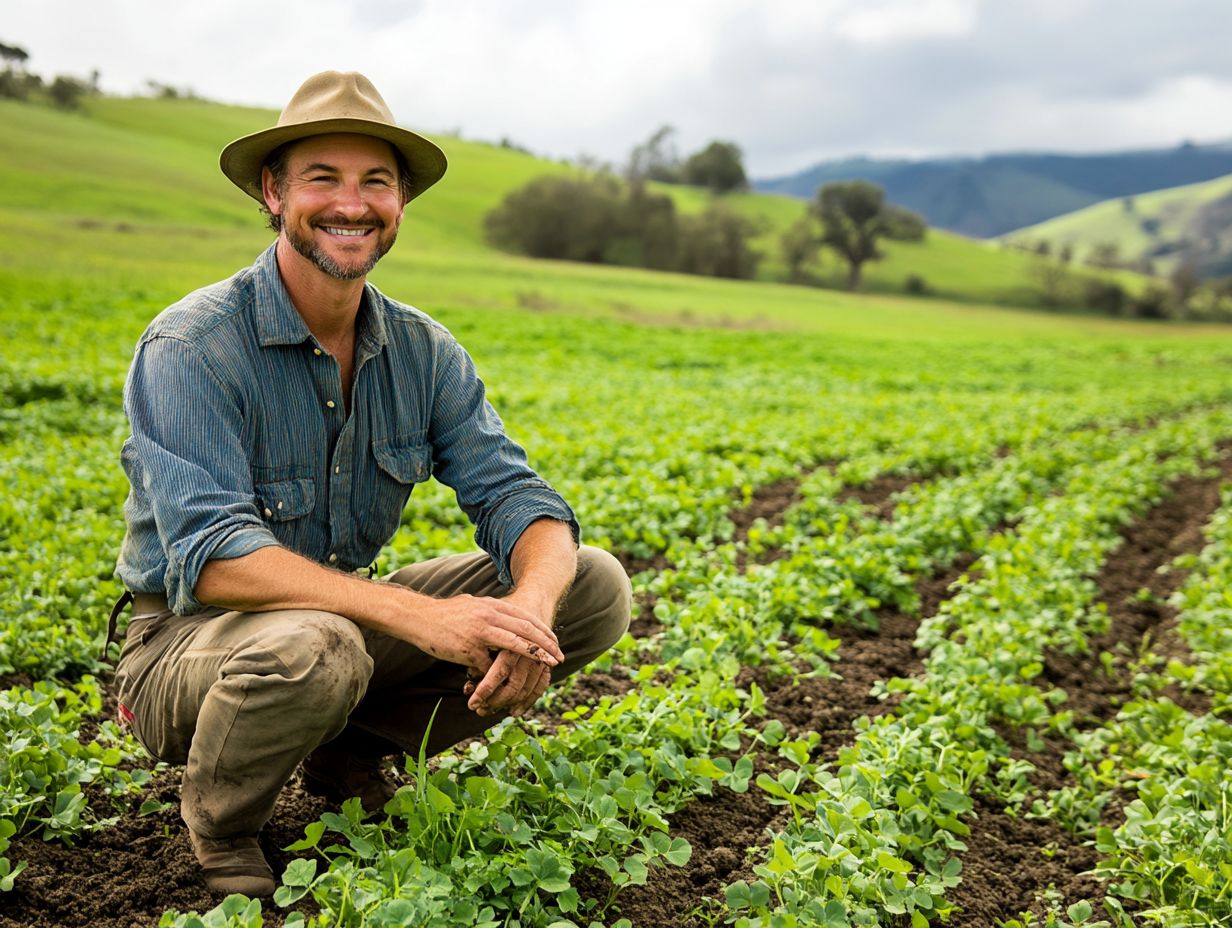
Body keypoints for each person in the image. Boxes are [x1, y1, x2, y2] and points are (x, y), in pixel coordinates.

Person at [111, 71, 631, 899]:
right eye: (322, 178)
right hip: (188, 645)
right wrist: (420, 615)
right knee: (319, 643)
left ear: (399, 205)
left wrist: (528, 614)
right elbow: (213, 559)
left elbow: (519, 499)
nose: (351, 204)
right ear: (274, 193)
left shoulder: (423, 353)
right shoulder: (193, 346)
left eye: (375, 182)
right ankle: (221, 821)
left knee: (591, 585)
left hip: (332, 631)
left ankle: (349, 751)